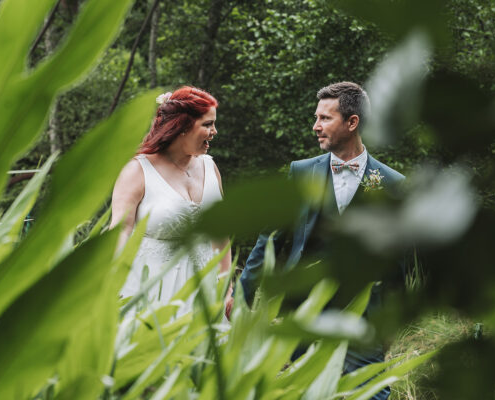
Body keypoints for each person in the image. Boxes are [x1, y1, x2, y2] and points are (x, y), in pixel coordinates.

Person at [228, 82, 404, 400]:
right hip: (305, 317)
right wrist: (242, 297)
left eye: (325, 118)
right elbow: (268, 241)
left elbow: (397, 264)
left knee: (372, 395)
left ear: (352, 123)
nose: (316, 126)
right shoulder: (301, 172)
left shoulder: (391, 183)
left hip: (364, 322)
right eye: (316, 117)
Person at [111, 86, 231, 315]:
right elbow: (120, 231)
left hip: (205, 294)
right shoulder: (138, 171)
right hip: (151, 293)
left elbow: (221, 234)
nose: (214, 131)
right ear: (183, 126)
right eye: (207, 124)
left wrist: (227, 287)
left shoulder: (210, 167)